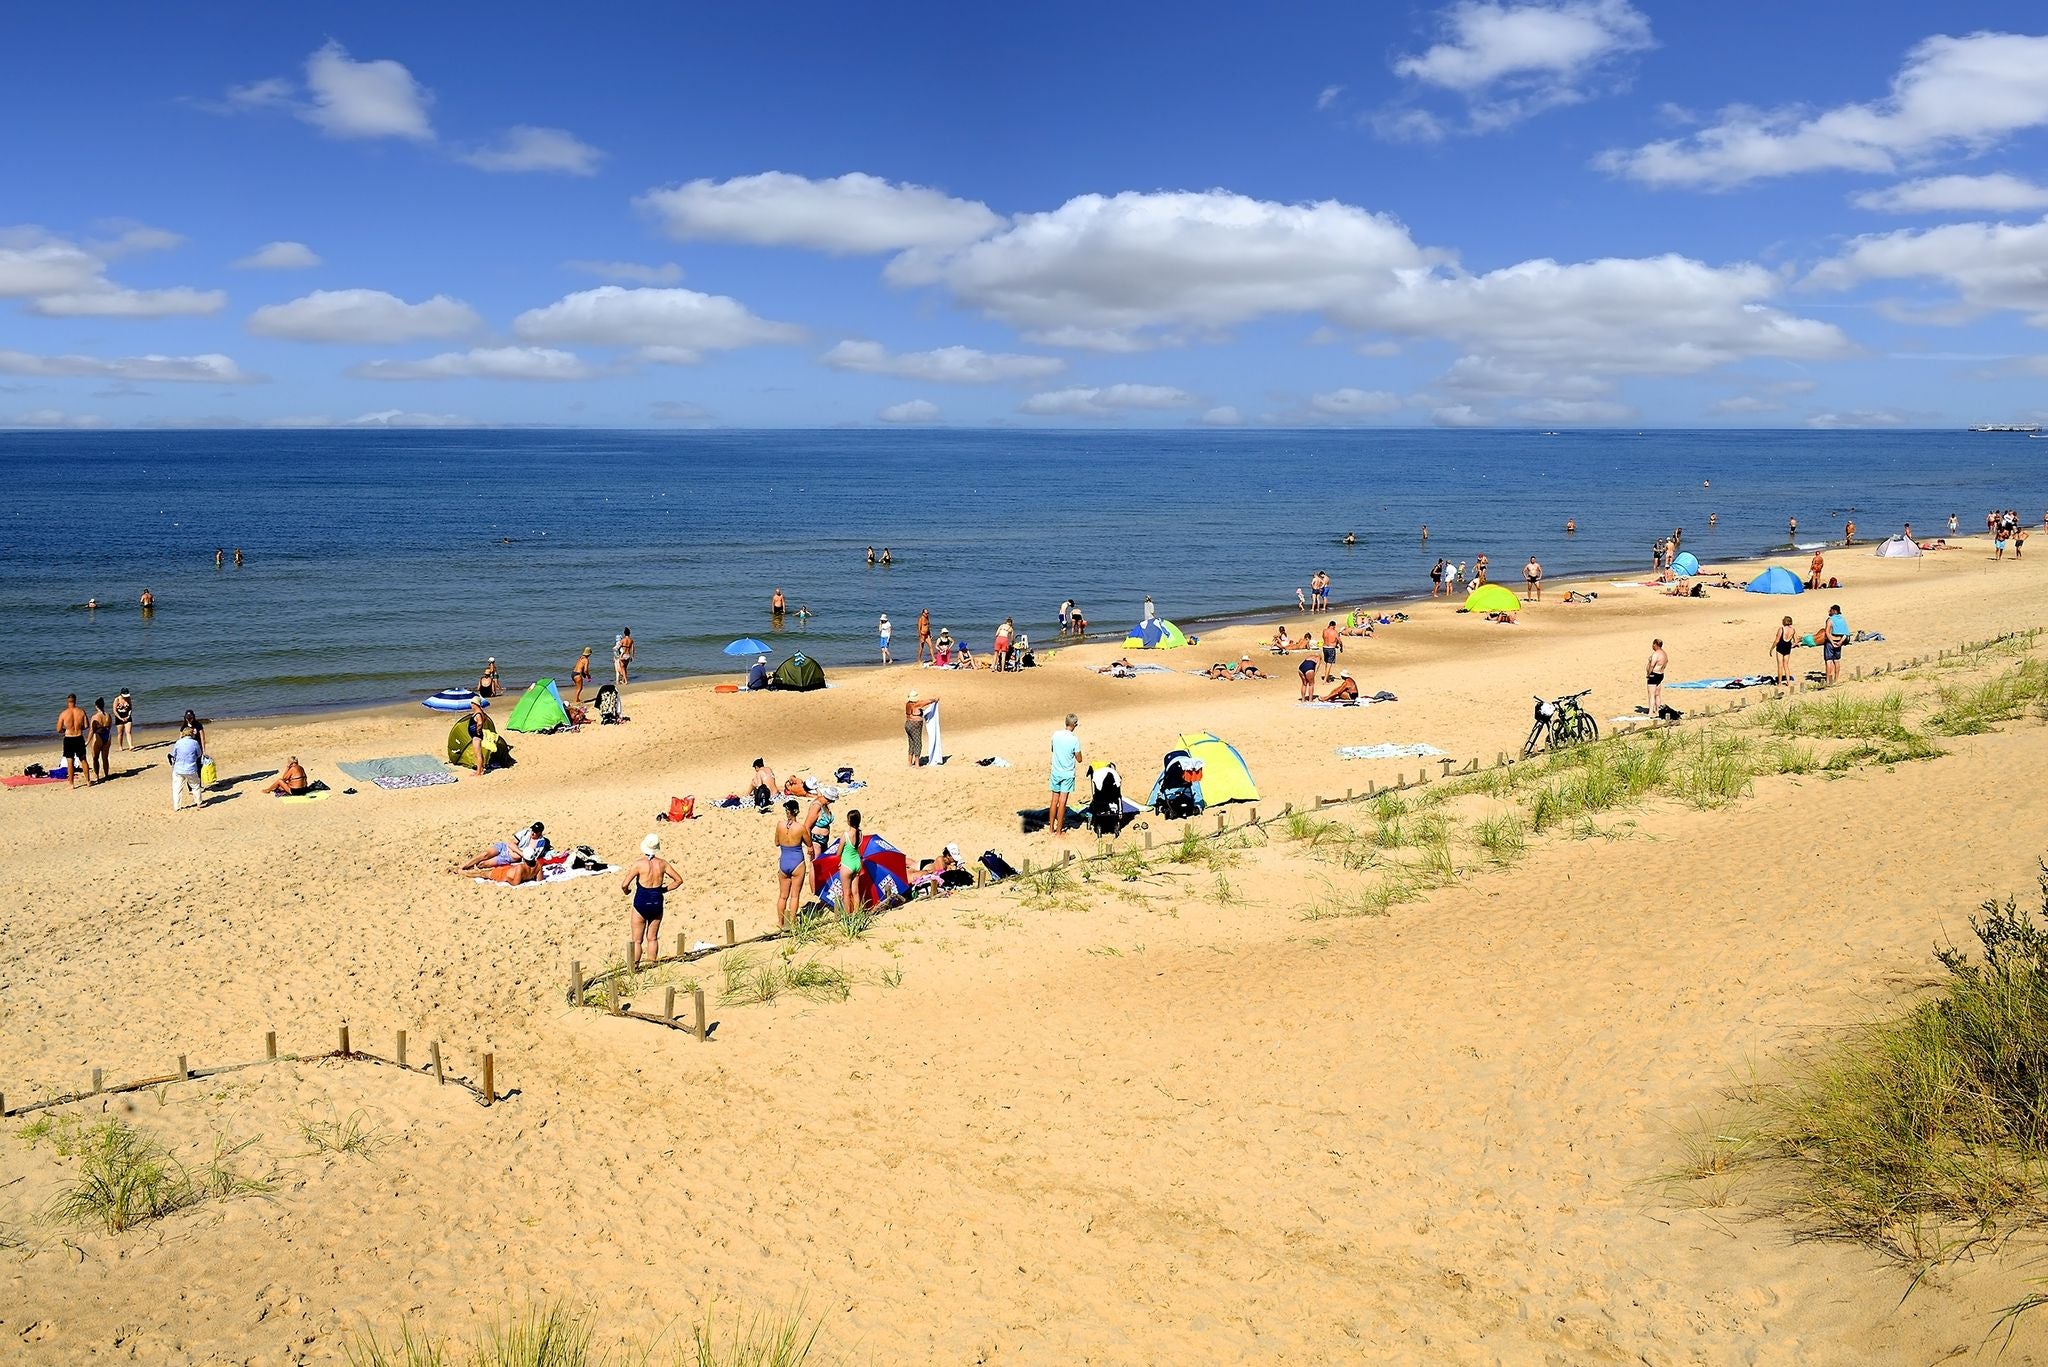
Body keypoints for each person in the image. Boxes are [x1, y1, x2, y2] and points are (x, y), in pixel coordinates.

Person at [622, 834, 681, 970]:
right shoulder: (663, 864)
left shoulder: (639, 864)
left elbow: (624, 884)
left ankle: (634, 967)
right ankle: (651, 966)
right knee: (652, 938)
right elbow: (678, 880)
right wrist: (664, 889)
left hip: (641, 902)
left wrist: (627, 892)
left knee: (637, 940)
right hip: (656, 902)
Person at [775, 796, 824, 927]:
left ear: (787, 812)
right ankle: (793, 922)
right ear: (797, 811)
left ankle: (780, 923)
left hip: (784, 861)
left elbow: (777, 842)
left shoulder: (779, 825)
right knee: (794, 896)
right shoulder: (800, 828)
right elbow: (809, 844)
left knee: (782, 896)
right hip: (797, 862)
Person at [460, 822, 548, 871]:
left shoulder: (540, 843)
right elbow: (511, 843)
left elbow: (529, 857)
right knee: (485, 854)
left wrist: (515, 851)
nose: (533, 833)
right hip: (504, 847)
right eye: (533, 830)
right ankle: (463, 866)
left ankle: (468, 869)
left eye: (535, 832)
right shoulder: (526, 832)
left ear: (540, 833)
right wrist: (521, 853)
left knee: (484, 864)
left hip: (508, 857)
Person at [1048, 714, 1083, 839]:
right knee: (1062, 803)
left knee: (1054, 801)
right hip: (1067, 773)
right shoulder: (1074, 739)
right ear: (1074, 725)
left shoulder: (1056, 735)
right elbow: (1079, 759)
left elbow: (1053, 749)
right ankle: (1058, 832)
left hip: (1056, 772)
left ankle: (1051, 828)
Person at [838, 808, 868, 914]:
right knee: (855, 892)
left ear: (849, 821)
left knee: (846, 893)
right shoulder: (860, 834)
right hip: (857, 863)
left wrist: (841, 859)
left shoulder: (846, 835)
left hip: (847, 864)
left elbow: (838, 852)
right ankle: (857, 914)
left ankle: (848, 915)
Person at [55, 694, 88, 788]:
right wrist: (78, 728)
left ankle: (71, 784)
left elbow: (58, 729)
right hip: (78, 736)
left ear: (67, 702)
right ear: (75, 701)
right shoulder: (81, 712)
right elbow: (86, 726)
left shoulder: (63, 714)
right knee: (83, 759)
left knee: (70, 761)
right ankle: (88, 781)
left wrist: (65, 730)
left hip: (69, 738)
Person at [170, 724, 205, 811]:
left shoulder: (178, 742)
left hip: (178, 769)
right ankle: (199, 803)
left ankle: (177, 807)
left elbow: (174, 754)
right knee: (195, 786)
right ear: (191, 734)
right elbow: (199, 754)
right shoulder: (195, 743)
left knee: (177, 788)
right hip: (191, 769)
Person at [466, 696, 495, 776]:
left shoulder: (478, 713)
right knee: (479, 753)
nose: (471, 705)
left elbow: (480, 722)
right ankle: (481, 769)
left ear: (475, 704)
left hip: (476, 736)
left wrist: (478, 729)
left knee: (478, 754)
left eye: (472, 703)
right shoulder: (480, 712)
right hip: (476, 735)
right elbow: (484, 718)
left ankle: (478, 772)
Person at [1821, 603, 1848, 685]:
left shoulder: (1830, 619)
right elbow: (1845, 634)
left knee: (1828, 661)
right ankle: (1836, 679)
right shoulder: (1842, 619)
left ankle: (1828, 681)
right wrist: (1840, 642)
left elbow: (1827, 632)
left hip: (1830, 642)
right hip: (1839, 641)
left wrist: (1832, 642)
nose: (1829, 611)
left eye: (1830, 610)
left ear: (1834, 611)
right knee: (1836, 660)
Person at [87, 698, 112, 782]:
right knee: (105, 758)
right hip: (107, 735)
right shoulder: (108, 715)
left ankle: (97, 776)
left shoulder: (95, 717)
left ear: (96, 706)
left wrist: (87, 741)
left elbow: (91, 730)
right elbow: (110, 726)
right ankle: (106, 775)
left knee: (95, 758)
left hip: (98, 736)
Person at [1772, 615, 1797, 686]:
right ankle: (1788, 682)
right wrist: (1791, 646)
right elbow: (1796, 641)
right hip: (1787, 648)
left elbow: (1777, 640)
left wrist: (1771, 649)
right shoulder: (1793, 630)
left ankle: (1779, 683)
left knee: (1780, 665)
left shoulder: (1781, 629)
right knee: (1786, 665)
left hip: (1780, 647)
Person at [905, 691, 928, 767]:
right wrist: (934, 700)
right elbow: (926, 702)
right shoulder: (916, 705)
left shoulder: (908, 704)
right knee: (918, 744)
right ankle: (917, 764)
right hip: (915, 726)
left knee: (911, 743)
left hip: (908, 724)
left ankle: (909, 762)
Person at [1646, 639, 1667, 717]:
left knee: (1651, 694)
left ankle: (1651, 712)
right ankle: (1658, 710)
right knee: (1657, 694)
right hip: (1661, 674)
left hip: (1654, 674)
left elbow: (1652, 665)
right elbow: (1665, 664)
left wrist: (1649, 674)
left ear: (1655, 644)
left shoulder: (1656, 654)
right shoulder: (1664, 654)